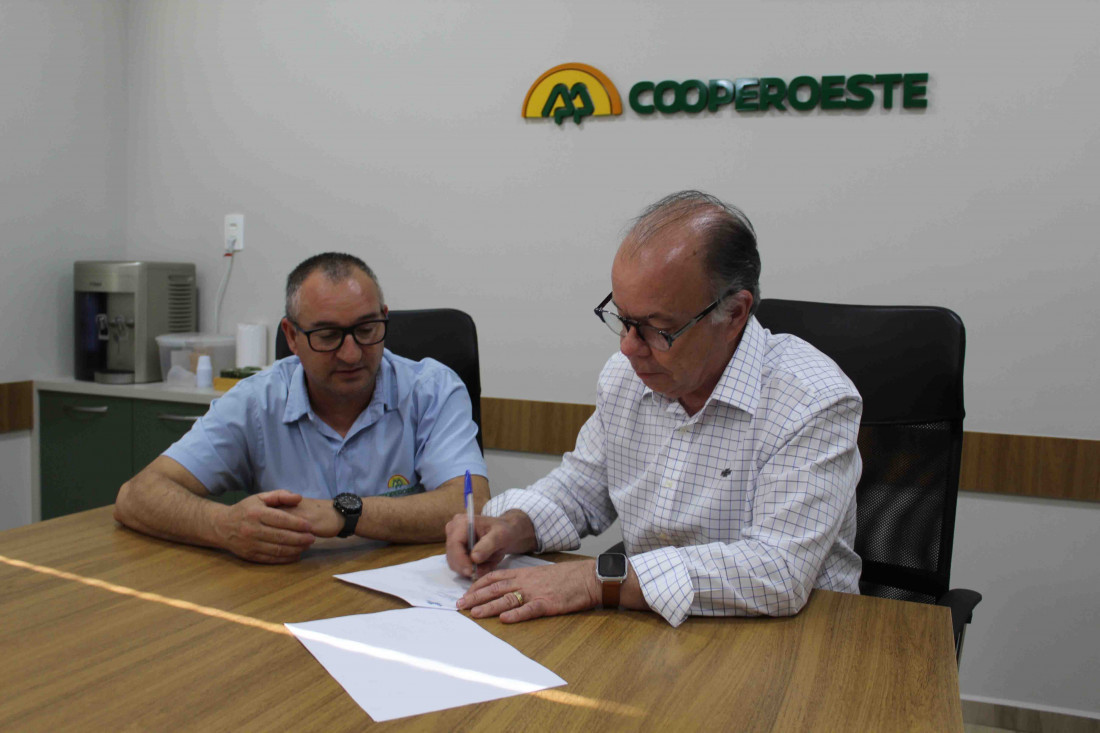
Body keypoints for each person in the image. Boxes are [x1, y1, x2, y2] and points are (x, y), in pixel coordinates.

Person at [446, 191, 861, 627]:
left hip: (802, 641)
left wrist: (596, 581)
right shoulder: (626, 376)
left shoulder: (812, 400)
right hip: (659, 631)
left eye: (656, 329)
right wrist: (515, 524)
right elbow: (582, 488)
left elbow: (776, 570)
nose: (628, 347)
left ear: (735, 313)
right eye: (623, 319)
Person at [115, 252, 488, 563]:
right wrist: (223, 525)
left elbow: (469, 504)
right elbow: (137, 496)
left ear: (384, 319)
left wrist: (343, 513)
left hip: (410, 600)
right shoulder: (256, 401)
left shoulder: (432, 390)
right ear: (292, 337)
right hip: (290, 595)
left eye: (367, 329)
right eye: (327, 336)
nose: (351, 353)